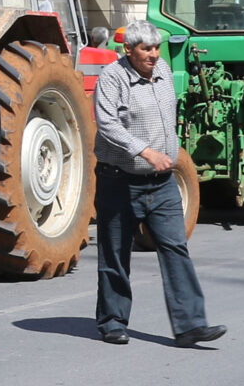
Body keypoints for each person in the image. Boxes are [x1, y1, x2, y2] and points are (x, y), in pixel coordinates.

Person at [92, 19, 224, 347]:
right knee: (116, 253)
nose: (153, 54)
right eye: (145, 49)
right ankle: (113, 321)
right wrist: (147, 151)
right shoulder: (113, 77)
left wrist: (168, 152)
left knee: (176, 248)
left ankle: (191, 325)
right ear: (128, 50)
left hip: (162, 183)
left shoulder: (163, 70)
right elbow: (107, 123)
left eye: (155, 47)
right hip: (120, 181)